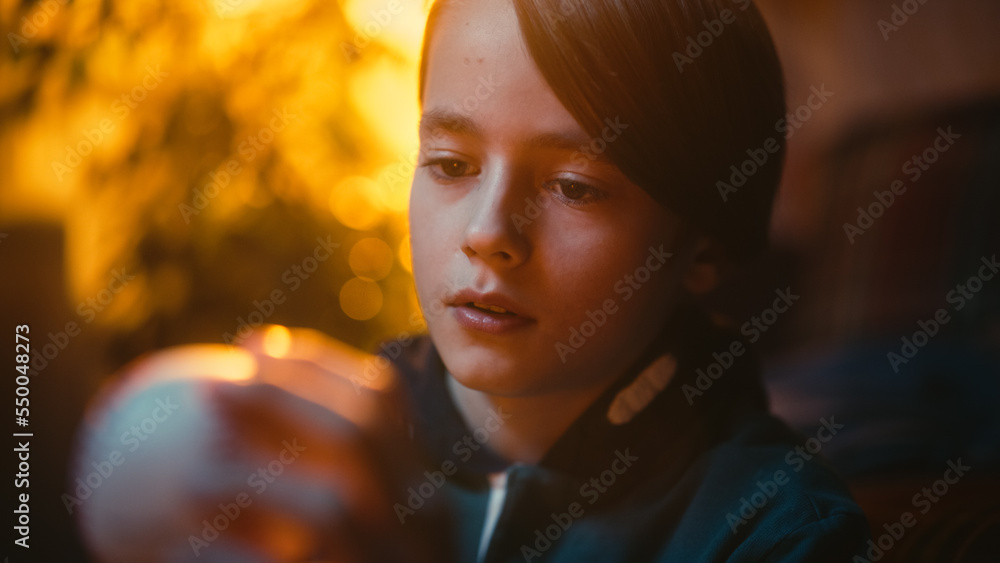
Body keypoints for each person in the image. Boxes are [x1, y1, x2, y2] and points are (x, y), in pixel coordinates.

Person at [74, 0, 870, 561]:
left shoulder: (776, 533)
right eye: (451, 165)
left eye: (576, 186)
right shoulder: (306, 454)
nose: (490, 233)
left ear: (700, 246)